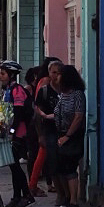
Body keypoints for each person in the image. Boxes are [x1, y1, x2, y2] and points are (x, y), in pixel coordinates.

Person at [0, 61, 34, 207]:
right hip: (11, 133)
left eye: (3, 74)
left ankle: (25, 195)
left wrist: (12, 132)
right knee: (13, 166)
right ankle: (17, 196)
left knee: (15, 166)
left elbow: (18, 114)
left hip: (20, 133)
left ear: (11, 75)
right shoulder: (8, 90)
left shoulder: (17, 90)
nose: (0, 76)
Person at [53, 65, 86, 207]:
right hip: (61, 133)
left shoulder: (77, 95)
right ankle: (67, 197)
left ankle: (74, 201)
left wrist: (68, 135)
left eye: (59, 74)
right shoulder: (63, 95)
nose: (57, 77)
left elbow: (78, 116)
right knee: (61, 167)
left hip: (73, 135)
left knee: (71, 167)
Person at [30, 58, 63, 197]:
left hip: (57, 127)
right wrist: (40, 133)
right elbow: (38, 109)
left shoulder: (60, 86)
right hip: (46, 127)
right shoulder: (45, 84)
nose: (56, 75)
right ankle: (33, 185)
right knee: (43, 155)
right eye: (53, 72)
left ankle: (48, 184)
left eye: (58, 72)